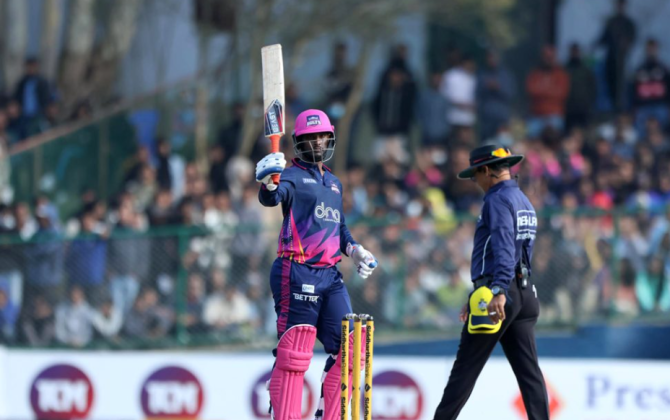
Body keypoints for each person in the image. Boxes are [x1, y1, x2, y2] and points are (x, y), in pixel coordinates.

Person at [255, 109, 378, 420]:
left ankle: (329, 415)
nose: (318, 143)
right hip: (296, 269)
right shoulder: (290, 175)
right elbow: (272, 198)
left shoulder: (334, 182)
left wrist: (356, 250)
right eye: (311, 138)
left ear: (330, 138)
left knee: (352, 348)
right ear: (299, 142)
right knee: (295, 351)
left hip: (330, 275)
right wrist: (269, 184)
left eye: (322, 136)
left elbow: (339, 227)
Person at [433, 145, 549, 420]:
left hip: (499, 294)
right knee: (530, 375)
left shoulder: (496, 200)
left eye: (475, 175)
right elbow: (522, 251)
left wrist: (496, 289)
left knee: (464, 370)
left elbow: (504, 245)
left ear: (486, 170)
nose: (475, 182)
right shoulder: (523, 200)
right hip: (525, 293)